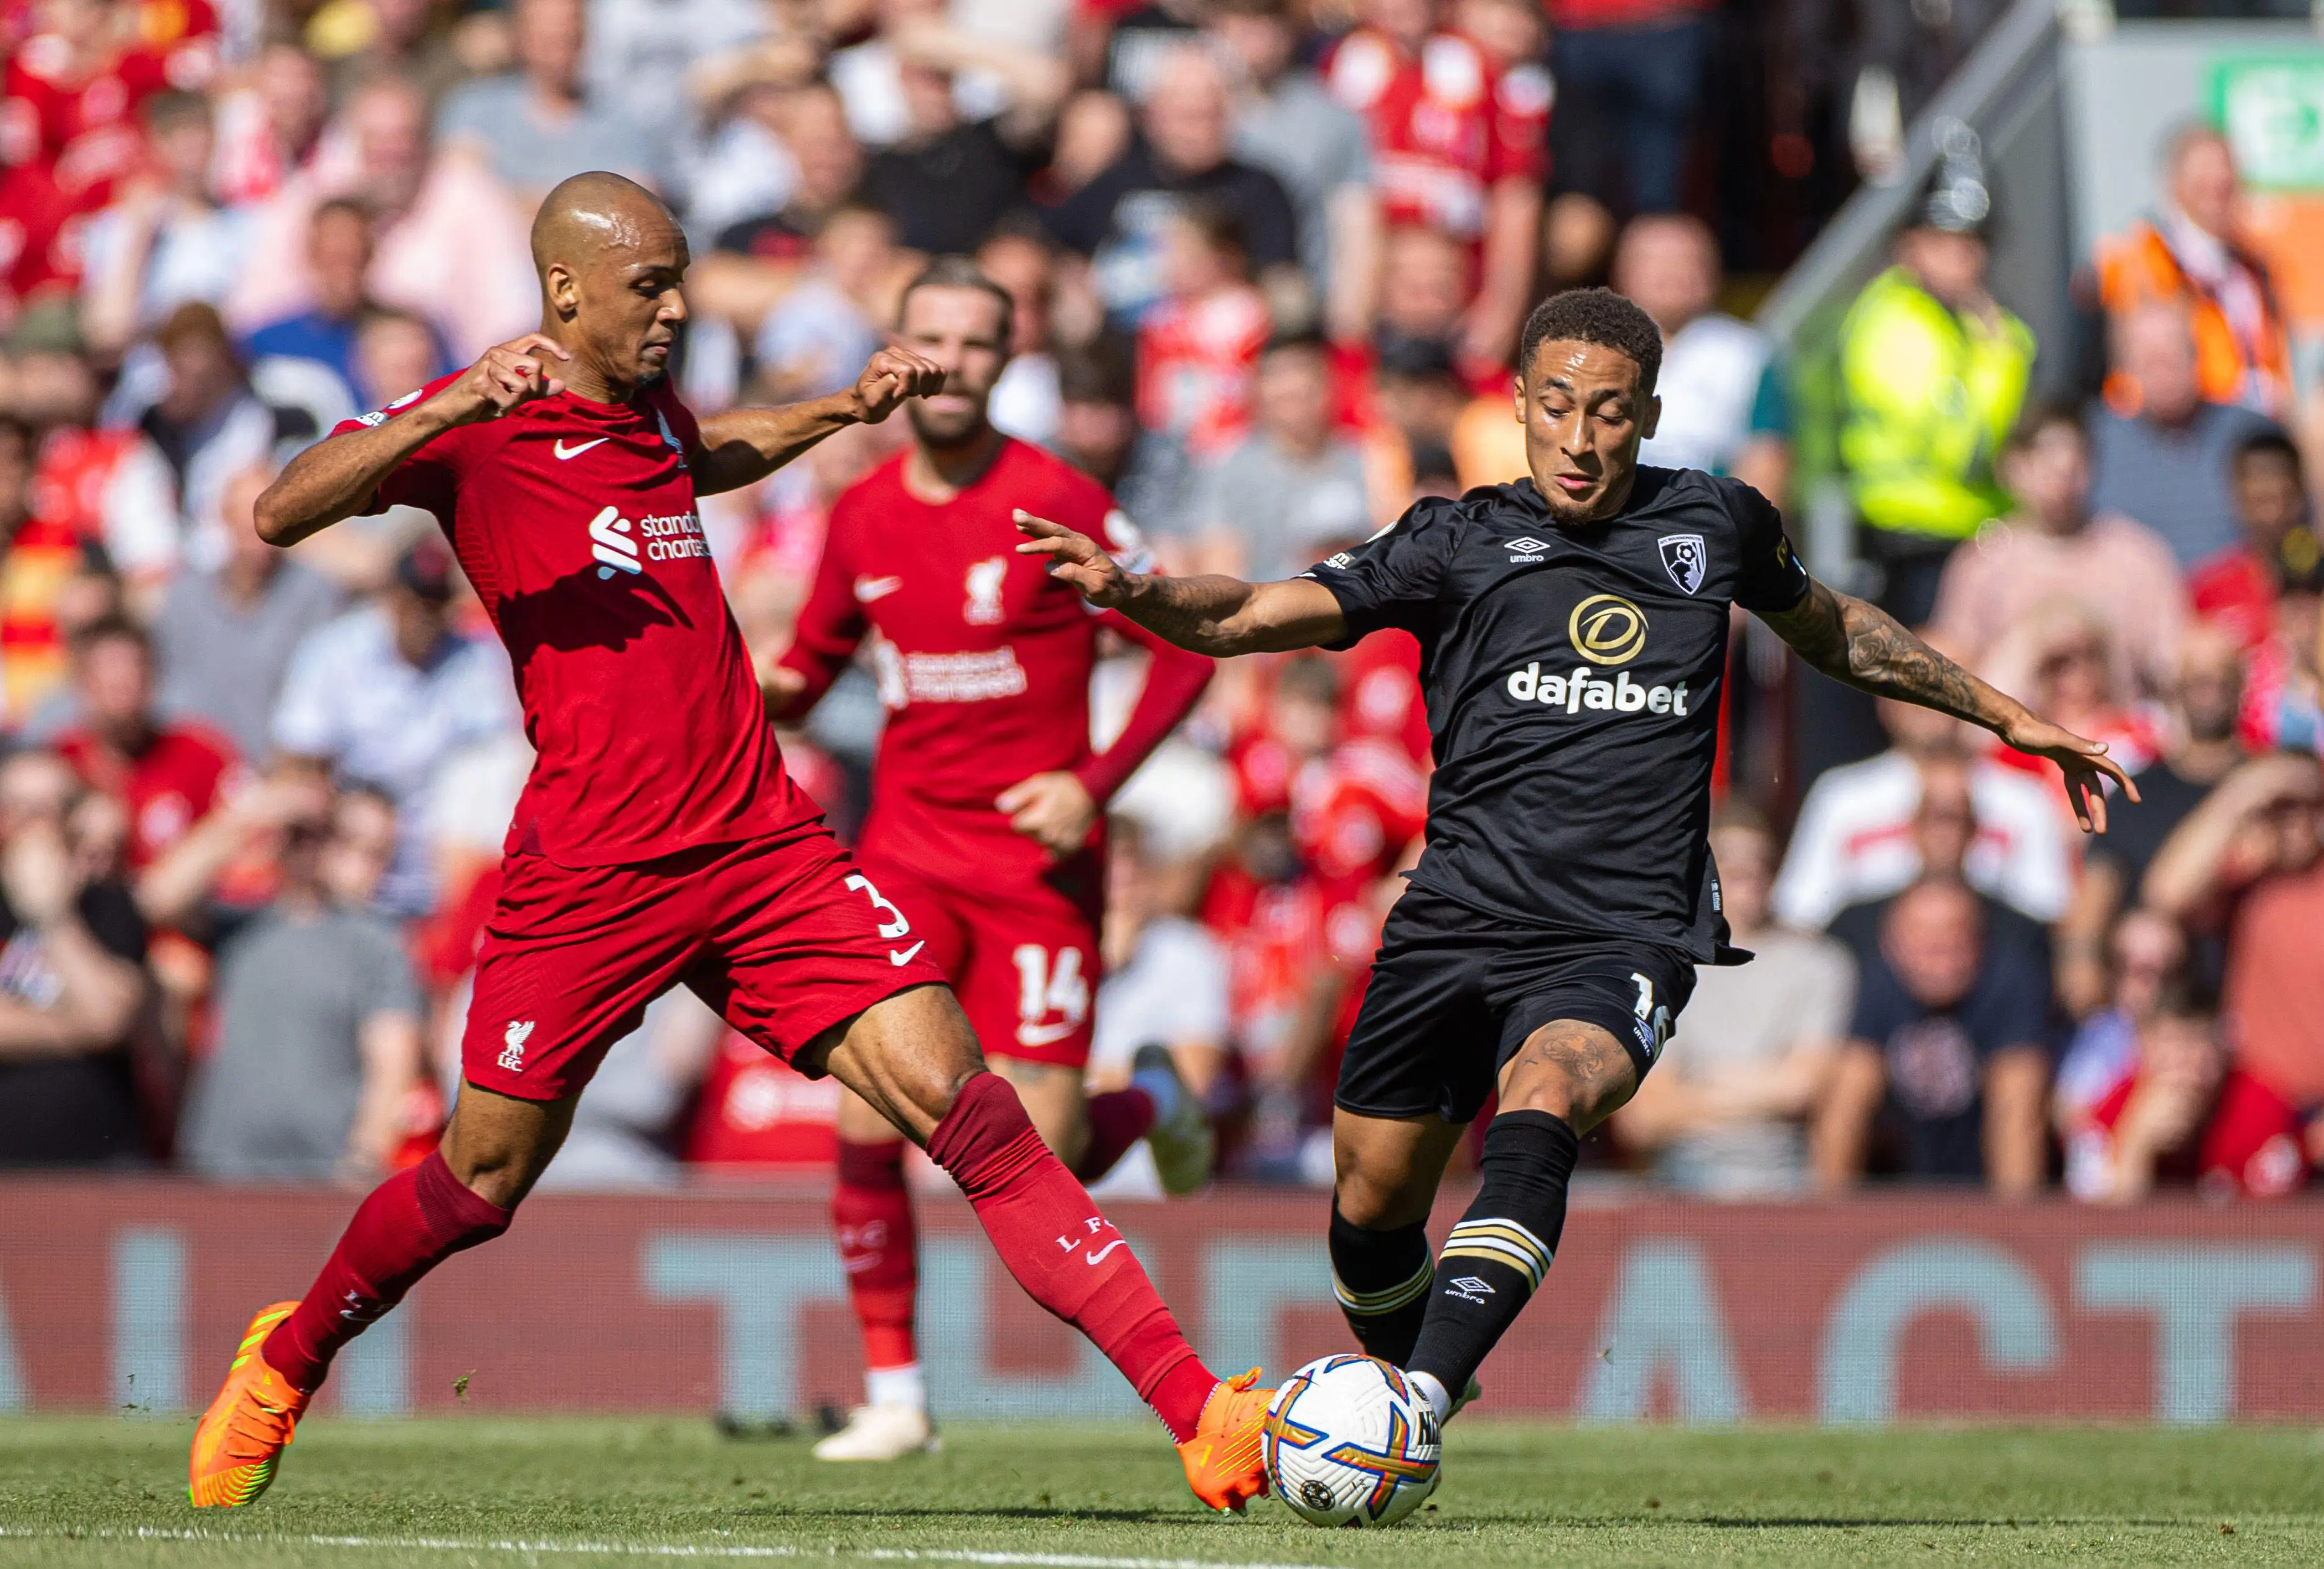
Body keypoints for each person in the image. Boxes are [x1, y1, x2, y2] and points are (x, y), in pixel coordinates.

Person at [188, 173, 1272, 1514]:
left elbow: (708, 457)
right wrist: (456, 396)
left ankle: (1200, 1407)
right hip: (593, 867)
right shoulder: (480, 426)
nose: (680, 306)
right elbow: (280, 510)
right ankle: (287, 1358)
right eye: (652, 284)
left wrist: (838, 407)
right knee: (478, 1179)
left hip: (764, 846)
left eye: (684, 276)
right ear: (567, 290)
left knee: (966, 1103)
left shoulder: (646, 413)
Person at [1016, 285, 2131, 1429]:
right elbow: (1249, 613)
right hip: (1453, 914)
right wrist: (1141, 592)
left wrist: (2005, 715)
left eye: (1608, 412)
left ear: (1646, 415)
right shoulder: (1451, 539)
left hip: (1622, 929)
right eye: (1557, 408)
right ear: (1517, 406)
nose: (1581, 439)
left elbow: (1837, 629)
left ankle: (1416, 1403)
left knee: (1543, 1095)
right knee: (1369, 1201)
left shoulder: (1715, 526)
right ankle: (1405, 1372)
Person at [768, 255, 1219, 1461]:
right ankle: (895, 1393)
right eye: (932, 338)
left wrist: (1091, 783)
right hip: (904, 855)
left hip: (1030, 868)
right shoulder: (857, 511)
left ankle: (1155, 1102)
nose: (952, 362)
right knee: (867, 1117)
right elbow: (808, 672)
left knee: (1046, 1147)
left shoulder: (1053, 498)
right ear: (894, 348)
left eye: (976, 342)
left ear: (1007, 360)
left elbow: (1183, 646)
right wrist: (719, 676)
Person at [179, 784, 427, 1182]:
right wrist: (255, 814)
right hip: (221, 1165)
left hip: (320, 1173)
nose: (360, 865)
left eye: (377, 854)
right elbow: (159, 898)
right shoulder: (240, 923)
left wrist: (362, 1162)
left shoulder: (377, 944)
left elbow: (393, 1066)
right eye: (346, 841)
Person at [1613, 803, 1853, 1196]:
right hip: (1680, 1174)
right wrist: (1764, 1086)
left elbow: (1804, 1087)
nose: (1748, 874)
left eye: (1760, 861)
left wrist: (1700, 1087)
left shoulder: (1820, 963)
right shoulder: (1660, 967)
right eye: (1731, 861)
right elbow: (1642, 1119)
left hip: (1789, 1174)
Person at [270, 537, 518, 915]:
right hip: (350, 840)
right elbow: (297, 763)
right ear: (391, 597)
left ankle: (454, 928)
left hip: (435, 854)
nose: (422, 616)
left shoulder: (475, 661)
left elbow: (498, 763)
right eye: (413, 601)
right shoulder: (336, 652)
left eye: (433, 604)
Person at [1837, 158, 2033, 623]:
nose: (1965, 257)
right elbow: (1964, 451)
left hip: (1969, 533)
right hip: (1913, 539)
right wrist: (2002, 359)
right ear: (1909, 245)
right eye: (1946, 240)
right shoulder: (1893, 323)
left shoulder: (1963, 320)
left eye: (1975, 241)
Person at [1324, 0, 1542, 376]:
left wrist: (1502, 308)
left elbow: (1515, 193)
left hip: (1458, 283)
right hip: (1368, 287)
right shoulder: (1341, 67)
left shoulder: (1479, 68)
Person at [1928, 404, 2185, 703]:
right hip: (2008, 738)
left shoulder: (2137, 556)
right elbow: (1953, 673)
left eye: (2073, 463)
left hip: (2120, 736)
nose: (2061, 479)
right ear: (2012, 468)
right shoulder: (1982, 563)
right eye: (2045, 463)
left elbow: (2171, 666)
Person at [1812, 876, 2053, 1192]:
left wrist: (2015, 1228)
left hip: (1984, 1187)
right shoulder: (1875, 981)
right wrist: (1831, 1224)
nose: (1940, 961)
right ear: (1892, 944)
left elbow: (2018, 1112)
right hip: (1891, 1189)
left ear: (1979, 941)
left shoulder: (2009, 980)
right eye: (1925, 945)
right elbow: (1845, 1105)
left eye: (1954, 943)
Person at [1039, 46, 1299, 332]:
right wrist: (1073, 288)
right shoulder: (1115, 182)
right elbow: (1052, 245)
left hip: (1217, 350)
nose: (1198, 130)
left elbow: (1281, 282)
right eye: (1186, 116)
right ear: (1153, 117)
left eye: (1210, 115)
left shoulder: (1259, 188)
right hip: (1120, 350)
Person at [0, 748, 154, 1168]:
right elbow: (97, 1022)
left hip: (99, 1165)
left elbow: (112, 1017)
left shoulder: (110, 903)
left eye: (50, 807)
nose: (35, 822)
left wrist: (51, 915)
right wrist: (77, 1026)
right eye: (19, 807)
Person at [1207, 0, 1380, 345]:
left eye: (1268, 21)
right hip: (1207, 321)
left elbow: (1356, 221)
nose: (1255, 36)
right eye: (1242, 19)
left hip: (1298, 320)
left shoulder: (1333, 118)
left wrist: (1351, 318)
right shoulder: (1191, 108)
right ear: (1218, 25)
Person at [2093, 123, 2290, 419]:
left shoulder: (2252, 268)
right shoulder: (2143, 259)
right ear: (2174, 183)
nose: (2218, 183)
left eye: (2227, 175)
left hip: (2250, 431)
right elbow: (2141, 368)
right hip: (2182, 433)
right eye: (2204, 176)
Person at [152, 466, 344, 762]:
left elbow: (322, 699)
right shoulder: (186, 597)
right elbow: (171, 694)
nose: (259, 539)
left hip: (286, 770)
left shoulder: (314, 594)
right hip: (203, 769)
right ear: (225, 520)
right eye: (247, 526)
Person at [2086, 301, 2281, 573]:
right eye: (2149, 359)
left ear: (2196, 354)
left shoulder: (2252, 435)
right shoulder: (2095, 441)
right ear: (2125, 367)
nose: (2163, 370)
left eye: (2172, 354)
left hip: (2233, 602)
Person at [1615, 214, 1788, 504]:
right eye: (1656, 261)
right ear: (1622, 272)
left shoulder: (1747, 353)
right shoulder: (1589, 353)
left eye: (1688, 260)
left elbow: (1767, 459)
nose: (1673, 273)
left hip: (1709, 528)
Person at [1184, 334, 1377, 581]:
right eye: (1285, 395)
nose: (1295, 391)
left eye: (1307, 388)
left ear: (1331, 388)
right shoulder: (1230, 469)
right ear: (1259, 392)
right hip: (1270, 607)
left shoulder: (1366, 457)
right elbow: (1220, 571)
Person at [434, 0, 654, 204]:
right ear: (520, 39)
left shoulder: (621, 120)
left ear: (585, 39)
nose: (558, 55)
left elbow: (636, 202)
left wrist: (514, 198)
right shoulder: (476, 108)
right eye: (546, 41)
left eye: (568, 39)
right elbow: (459, 194)